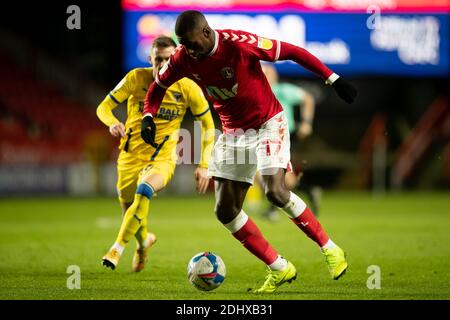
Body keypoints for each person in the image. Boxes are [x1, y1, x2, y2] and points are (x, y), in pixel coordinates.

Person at [141, 11, 357, 293]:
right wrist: (148, 115)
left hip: (268, 122)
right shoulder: (184, 57)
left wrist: (332, 78)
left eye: (192, 44)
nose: (188, 50)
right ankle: (279, 268)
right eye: (184, 44)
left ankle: (330, 249)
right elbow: (157, 87)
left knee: (275, 192)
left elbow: (293, 51)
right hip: (234, 134)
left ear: (206, 33)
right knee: (225, 210)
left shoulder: (239, 44)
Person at [97, 35, 215, 272]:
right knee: (130, 211)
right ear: (150, 59)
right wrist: (111, 122)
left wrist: (204, 164)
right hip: (129, 157)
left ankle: (116, 249)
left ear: (176, 60)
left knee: (145, 191)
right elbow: (103, 107)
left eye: (168, 60)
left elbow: (209, 125)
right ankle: (143, 243)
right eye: (158, 60)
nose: (162, 65)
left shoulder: (188, 86)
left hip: (163, 158)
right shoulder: (135, 78)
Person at [254, 63, 321, 222]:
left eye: (266, 74)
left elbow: (308, 99)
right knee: (272, 177)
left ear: (274, 76)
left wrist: (306, 123)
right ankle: (310, 191)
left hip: (284, 136)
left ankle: (273, 209)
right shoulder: (256, 93)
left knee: (277, 176)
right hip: (264, 138)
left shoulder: (281, 90)